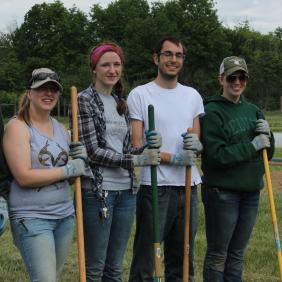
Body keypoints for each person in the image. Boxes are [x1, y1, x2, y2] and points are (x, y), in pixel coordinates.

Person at [76, 42, 161, 282]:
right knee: (95, 268)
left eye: (116, 64)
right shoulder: (84, 101)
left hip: (126, 192)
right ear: (94, 69)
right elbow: (92, 151)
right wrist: (136, 159)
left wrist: (147, 145)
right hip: (98, 192)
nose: (112, 70)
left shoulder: (120, 103)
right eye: (105, 65)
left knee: (114, 268)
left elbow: (125, 150)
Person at [127, 36, 204, 282]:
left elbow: (195, 145)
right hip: (155, 187)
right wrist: (173, 157)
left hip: (189, 187)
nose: (173, 59)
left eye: (178, 55)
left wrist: (196, 147)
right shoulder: (140, 94)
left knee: (182, 260)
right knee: (147, 261)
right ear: (156, 58)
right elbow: (137, 145)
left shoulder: (192, 95)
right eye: (168, 54)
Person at [3, 68, 88, 281]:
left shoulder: (62, 129)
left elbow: (69, 178)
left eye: (53, 89)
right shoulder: (18, 127)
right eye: (41, 88)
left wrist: (79, 162)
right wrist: (67, 169)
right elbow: (24, 176)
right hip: (32, 218)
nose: (48, 93)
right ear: (30, 92)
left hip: (64, 217)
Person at [201, 56, 275, 281]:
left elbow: (266, 155)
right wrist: (251, 145)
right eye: (232, 77)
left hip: (251, 192)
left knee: (237, 254)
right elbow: (216, 156)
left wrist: (268, 137)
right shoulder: (211, 111)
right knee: (218, 255)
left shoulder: (253, 110)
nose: (237, 82)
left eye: (242, 77)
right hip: (222, 193)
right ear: (221, 79)